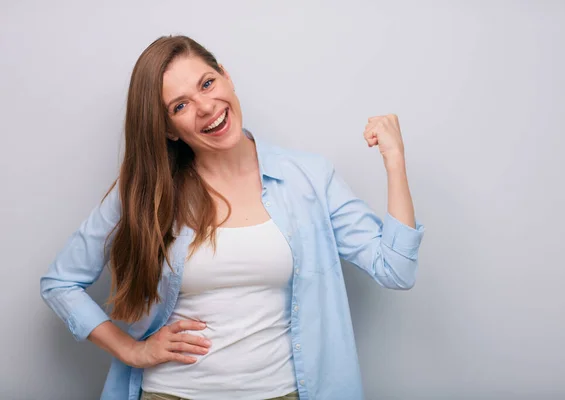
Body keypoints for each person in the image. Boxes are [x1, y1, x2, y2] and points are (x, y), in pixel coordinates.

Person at [40, 35, 425, 400]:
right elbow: (60, 283)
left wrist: (395, 161)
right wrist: (132, 351)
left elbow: (395, 269)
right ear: (169, 130)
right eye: (180, 106)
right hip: (172, 393)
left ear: (226, 75)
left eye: (207, 83)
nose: (205, 107)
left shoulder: (308, 178)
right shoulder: (147, 192)